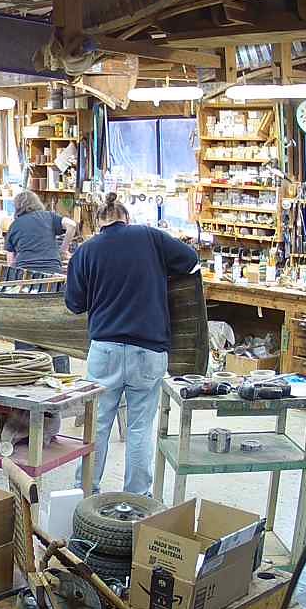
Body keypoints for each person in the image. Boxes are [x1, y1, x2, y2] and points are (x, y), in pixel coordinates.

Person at [65, 193, 198, 495]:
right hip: (148, 350)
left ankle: (85, 493)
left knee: (98, 426)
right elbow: (190, 261)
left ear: (98, 223)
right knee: (140, 427)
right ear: (127, 218)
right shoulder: (150, 236)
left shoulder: (86, 251)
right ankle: (137, 498)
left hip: (105, 349)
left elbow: (74, 304)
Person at [6, 190, 78, 274]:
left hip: (25, 272)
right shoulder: (49, 217)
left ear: (17, 206)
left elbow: (10, 263)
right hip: (52, 270)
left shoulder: (14, 225)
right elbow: (72, 225)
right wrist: (63, 250)